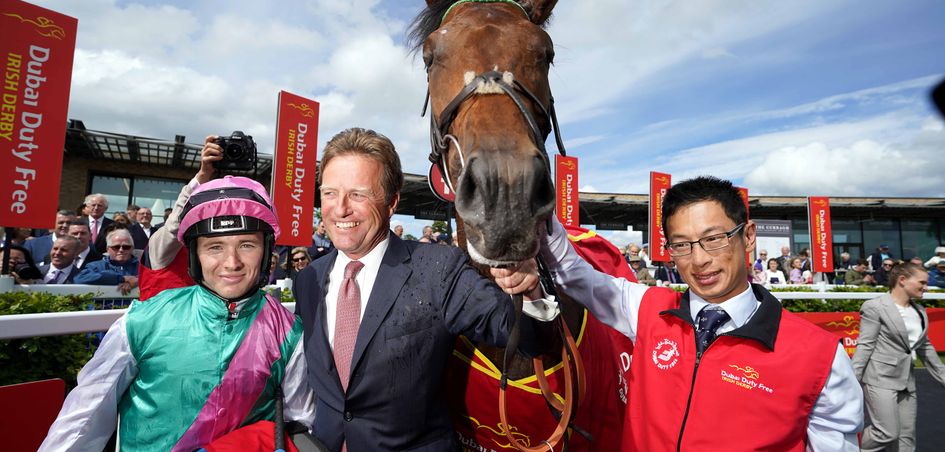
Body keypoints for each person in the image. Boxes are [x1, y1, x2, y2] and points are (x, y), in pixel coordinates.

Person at [535, 175, 862, 450]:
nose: (699, 259)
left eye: (714, 239)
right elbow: (571, 271)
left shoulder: (821, 357)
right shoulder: (649, 309)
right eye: (682, 244)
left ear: (748, 236)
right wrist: (534, 198)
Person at [294, 127, 544, 451]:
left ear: (391, 202)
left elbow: (522, 336)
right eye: (329, 193)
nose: (340, 209)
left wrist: (529, 292)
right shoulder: (307, 281)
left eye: (358, 194)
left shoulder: (438, 269)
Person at [41, 174, 315, 450]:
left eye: (247, 245)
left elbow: (299, 427)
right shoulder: (143, 320)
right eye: (215, 247)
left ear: (267, 251)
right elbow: (81, 422)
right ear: (194, 255)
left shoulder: (290, 332)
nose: (232, 263)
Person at [852, 263, 945, 451]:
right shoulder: (875, 307)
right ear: (902, 280)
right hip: (880, 378)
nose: (926, 287)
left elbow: (925, 348)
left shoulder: (920, 311)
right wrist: (851, 380)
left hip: (907, 381)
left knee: (906, 437)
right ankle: (848, 448)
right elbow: (866, 344)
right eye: (922, 283)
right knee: (886, 432)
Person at [74, 228, 139, 294]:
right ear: (108, 249)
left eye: (126, 247)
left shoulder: (142, 267)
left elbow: (149, 279)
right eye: (116, 247)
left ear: (132, 248)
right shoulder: (95, 266)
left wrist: (139, 281)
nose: (121, 250)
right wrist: (121, 278)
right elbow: (79, 278)